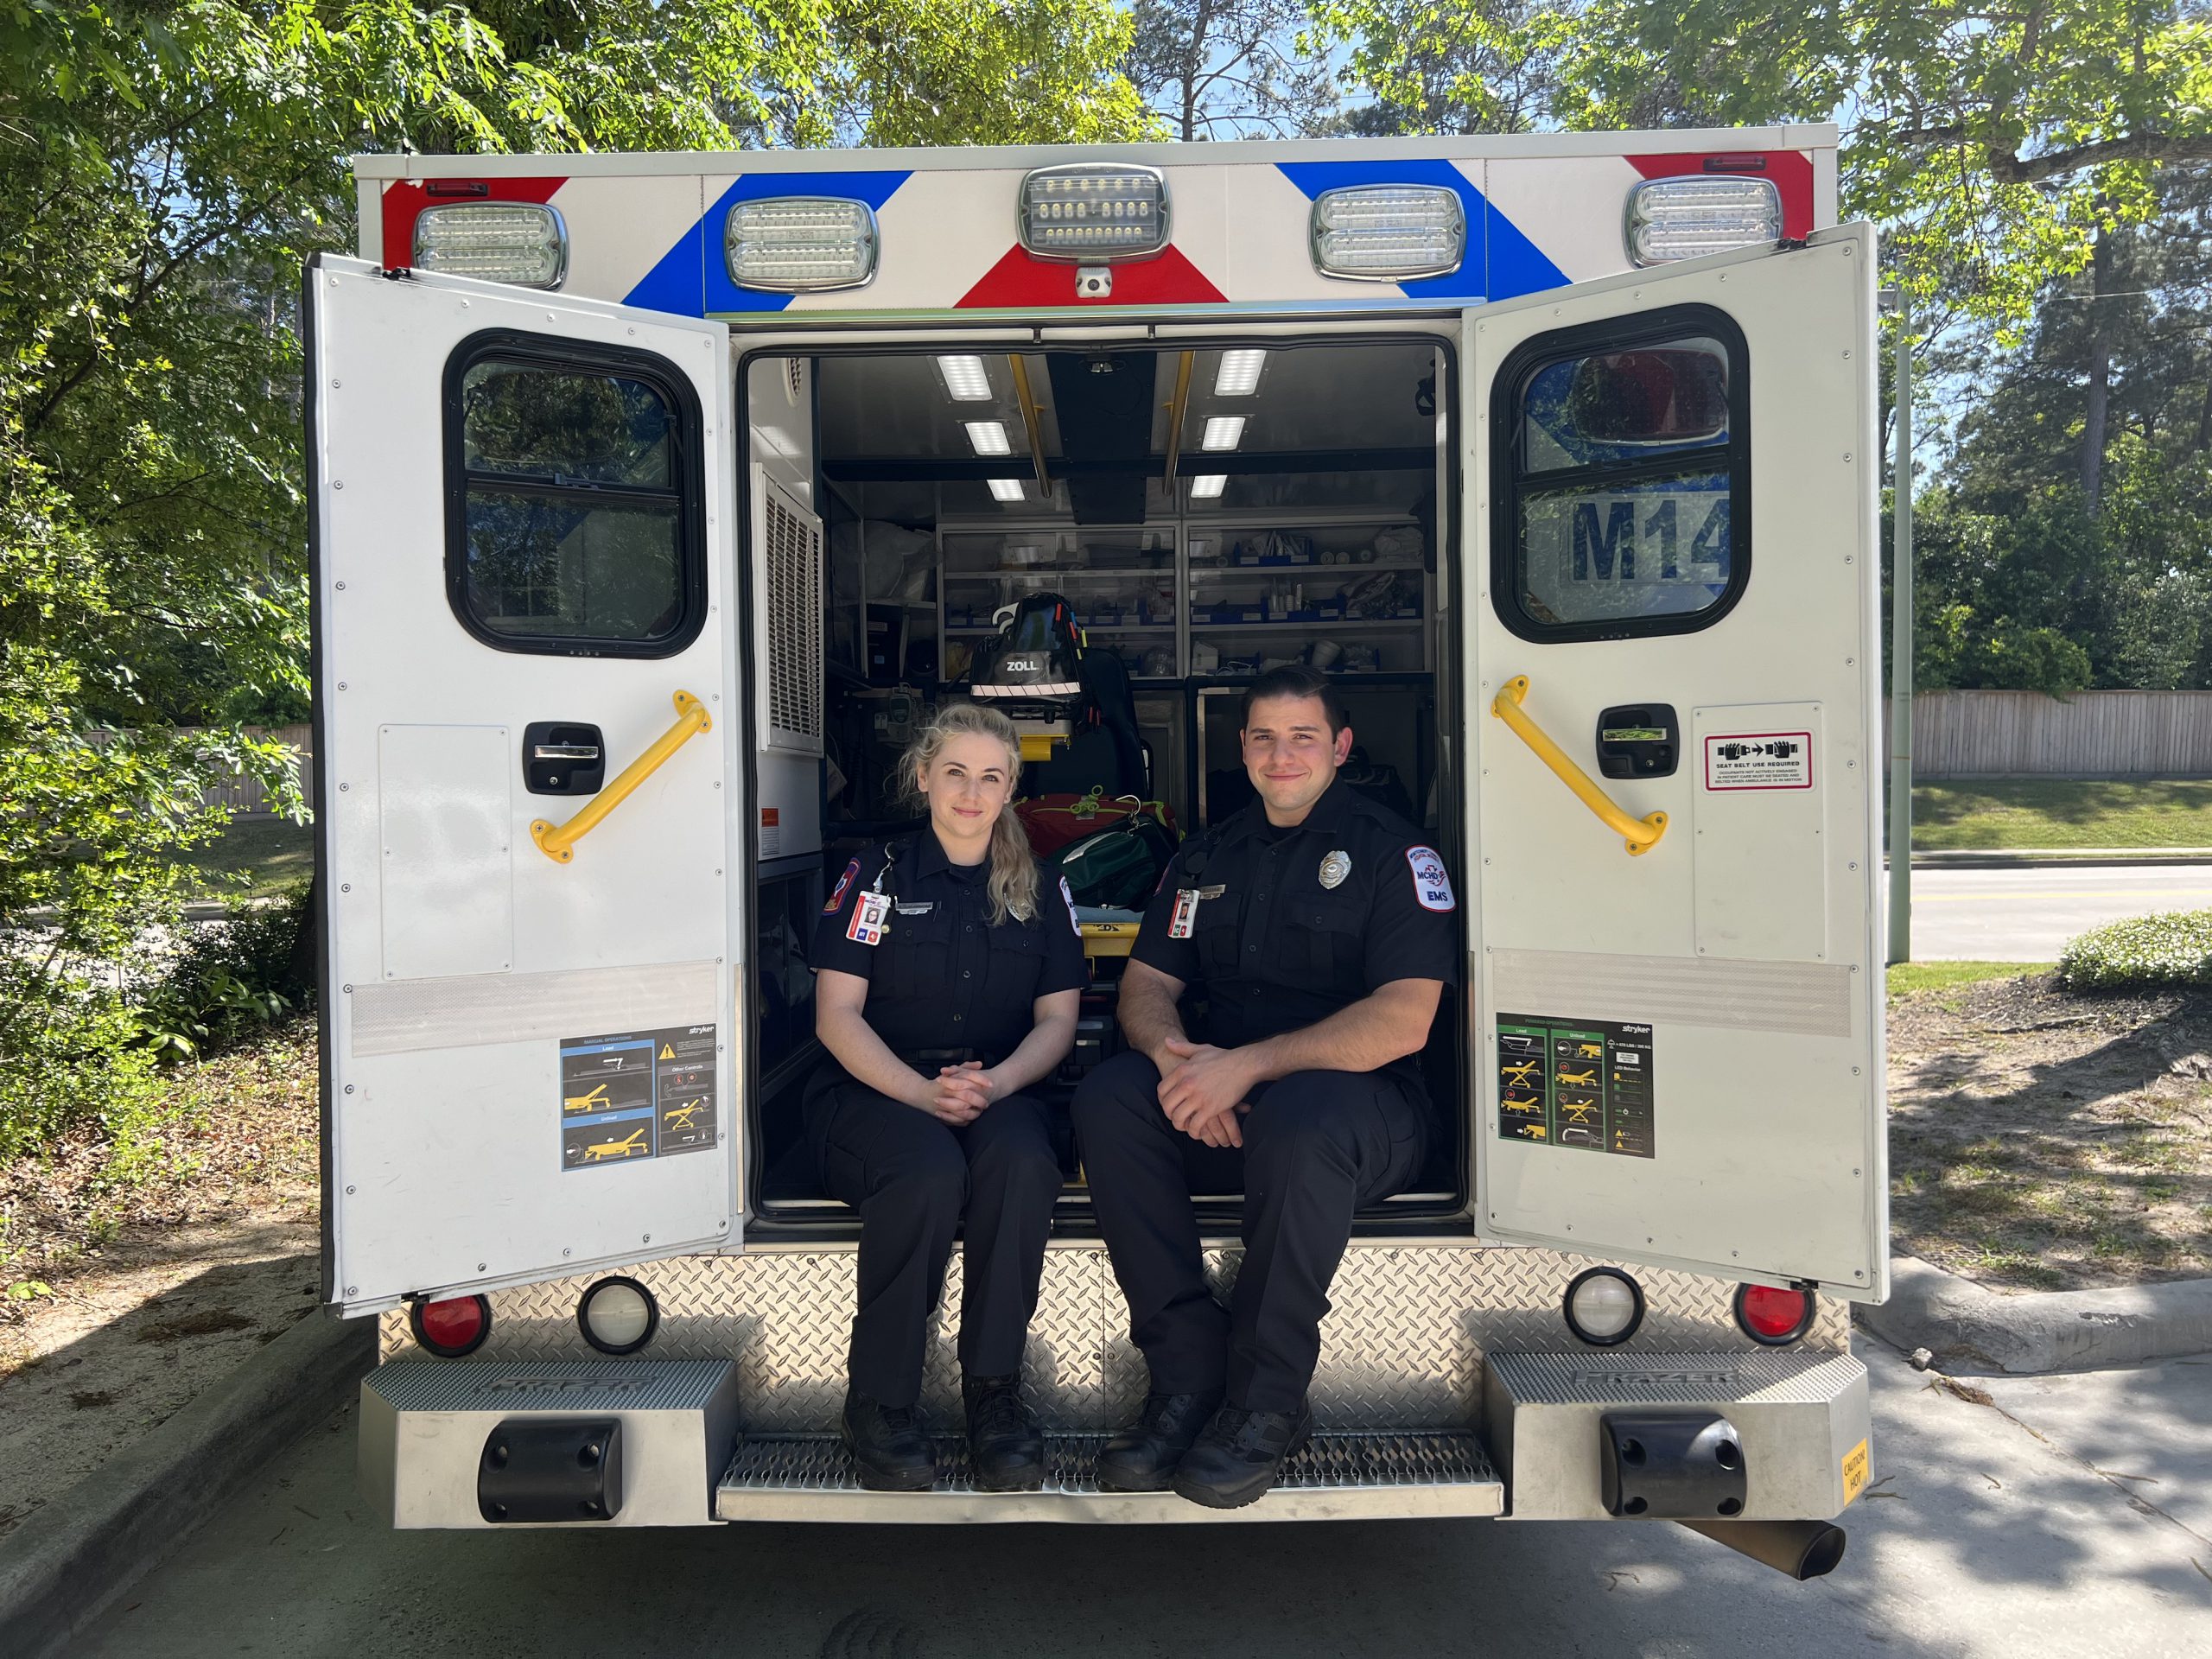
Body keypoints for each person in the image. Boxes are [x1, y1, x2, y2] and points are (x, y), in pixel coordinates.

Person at [1071, 665, 1457, 1509]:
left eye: (1302, 737)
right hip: (1225, 1094)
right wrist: (1179, 1069)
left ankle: (1266, 1400)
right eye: (1263, 737)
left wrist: (1242, 1068)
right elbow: (1145, 984)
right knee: (1107, 1099)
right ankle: (1185, 1378)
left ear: (1340, 747)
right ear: (1241, 747)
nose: (1281, 756)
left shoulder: (1395, 855)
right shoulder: (1205, 856)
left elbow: (1403, 1020)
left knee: (1299, 1117)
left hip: (1361, 1112)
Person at [809, 702, 1087, 1491]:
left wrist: (995, 1084)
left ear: (1010, 790)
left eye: (990, 777)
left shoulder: (1041, 886)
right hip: (878, 1090)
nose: (971, 792)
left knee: (1024, 1167)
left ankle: (993, 1395)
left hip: (1001, 1085)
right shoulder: (875, 875)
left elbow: (1058, 1020)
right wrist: (922, 1094)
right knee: (927, 1176)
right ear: (924, 774)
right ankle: (881, 1402)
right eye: (955, 773)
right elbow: (837, 1017)